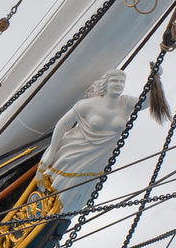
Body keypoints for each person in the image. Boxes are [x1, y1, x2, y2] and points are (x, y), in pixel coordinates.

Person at [39, 68, 137, 214]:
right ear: (105, 84)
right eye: (114, 81)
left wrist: (155, 79)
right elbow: (62, 124)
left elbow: (149, 100)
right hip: (73, 154)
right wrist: (51, 153)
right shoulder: (87, 105)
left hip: (97, 161)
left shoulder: (126, 103)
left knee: (75, 199)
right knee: (59, 192)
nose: (119, 84)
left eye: (122, 82)